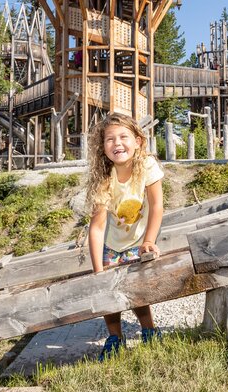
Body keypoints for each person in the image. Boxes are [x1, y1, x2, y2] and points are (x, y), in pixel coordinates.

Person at [86, 113, 164, 361]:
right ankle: (115, 337)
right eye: (109, 139)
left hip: (138, 241)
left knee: (137, 291)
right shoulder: (104, 179)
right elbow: (97, 227)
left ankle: (149, 331)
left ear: (138, 141)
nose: (117, 143)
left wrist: (149, 240)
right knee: (109, 292)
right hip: (112, 244)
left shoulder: (148, 166)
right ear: (103, 147)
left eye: (123, 137)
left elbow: (157, 206)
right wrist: (98, 270)